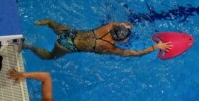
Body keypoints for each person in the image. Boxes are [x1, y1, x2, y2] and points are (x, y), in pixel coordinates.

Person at [22, 19, 172, 59]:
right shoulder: (108, 47)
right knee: (49, 57)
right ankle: (28, 46)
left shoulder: (109, 26)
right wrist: (155, 47)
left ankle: (48, 22)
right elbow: (134, 53)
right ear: (119, 41)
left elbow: (122, 24)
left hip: (71, 33)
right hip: (65, 45)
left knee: (58, 28)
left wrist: (127, 26)